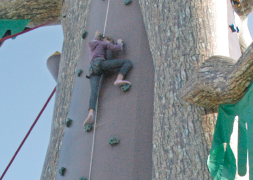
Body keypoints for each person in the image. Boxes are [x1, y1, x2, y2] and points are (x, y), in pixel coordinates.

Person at [83, 30, 133, 126]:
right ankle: (119, 78)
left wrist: (95, 36)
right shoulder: (104, 43)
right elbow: (118, 48)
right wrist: (119, 42)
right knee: (128, 62)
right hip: (101, 64)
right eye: (110, 42)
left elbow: (93, 41)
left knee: (94, 92)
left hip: (92, 70)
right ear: (106, 39)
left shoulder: (93, 45)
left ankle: (90, 113)